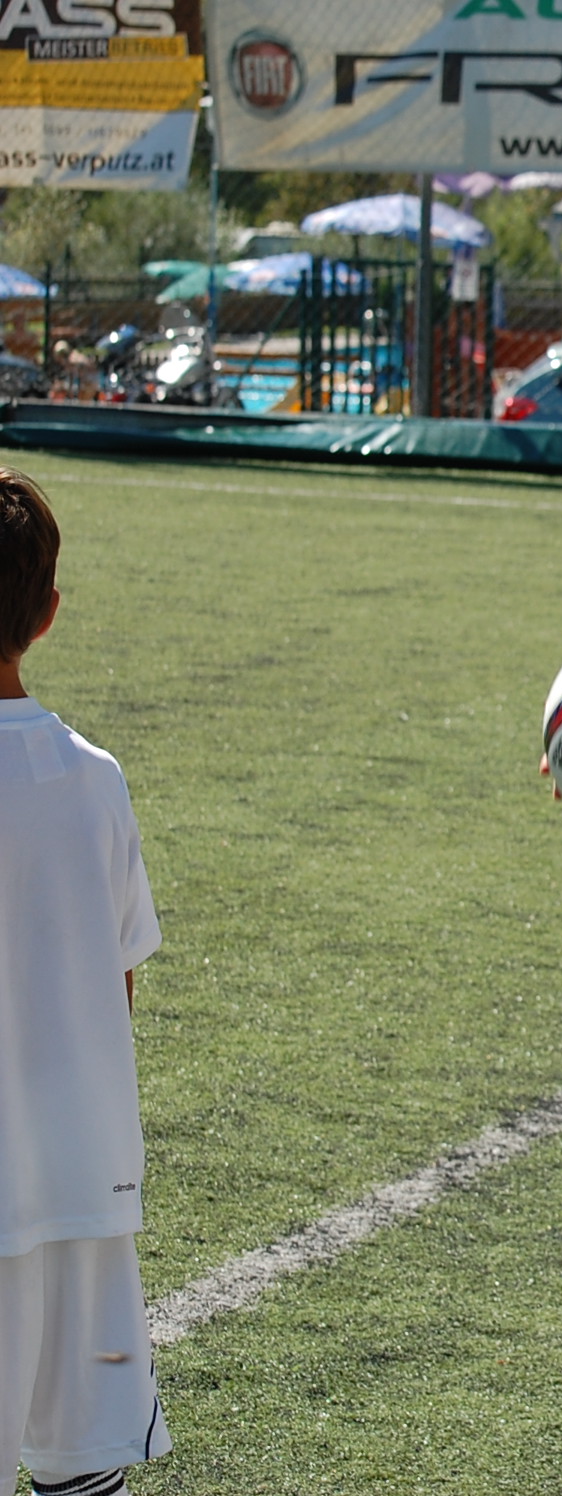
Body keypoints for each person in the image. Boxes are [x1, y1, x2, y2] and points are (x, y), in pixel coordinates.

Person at [0, 470, 172, 1496]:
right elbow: (119, 987)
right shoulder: (95, 777)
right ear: (49, 612)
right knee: (82, 1468)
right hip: (82, 1184)